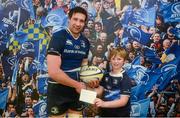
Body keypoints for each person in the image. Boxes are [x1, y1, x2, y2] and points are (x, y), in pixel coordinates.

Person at [46, 7, 91, 117]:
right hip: (58, 90)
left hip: (77, 91)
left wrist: (90, 79)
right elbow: (53, 72)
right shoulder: (58, 36)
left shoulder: (85, 41)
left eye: (81, 21)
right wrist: (77, 85)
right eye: (75, 19)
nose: (78, 23)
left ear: (85, 23)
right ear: (69, 19)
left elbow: (84, 66)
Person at [94, 47, 131, 117]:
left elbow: (123, 102)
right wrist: (84, 89)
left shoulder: (125, 78)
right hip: (104, 113)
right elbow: (99, 91)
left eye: (119, 59)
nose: (115, 61)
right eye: (113, 59)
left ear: (124, 61)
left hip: (119, 114)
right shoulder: (106, 75)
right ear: (110, 60)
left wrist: (103, 104)